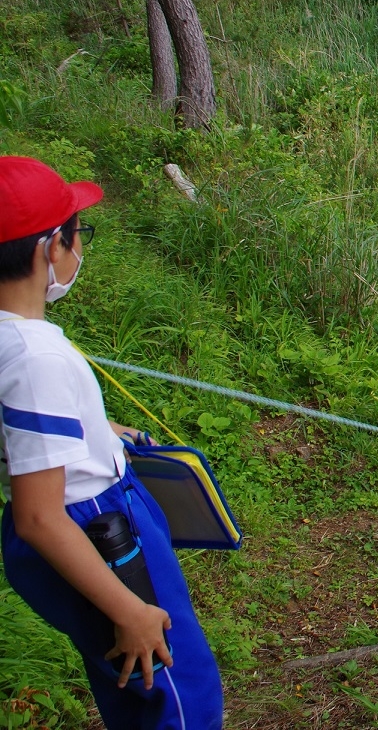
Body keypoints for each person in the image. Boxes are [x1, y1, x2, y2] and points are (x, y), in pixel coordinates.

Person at [0, 157, 223, 729]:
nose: (80, 249)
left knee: (129, 688)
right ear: (50, 249)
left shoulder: (13, 342)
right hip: (96, 529)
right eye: (79, 234)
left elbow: (23, 437)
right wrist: (129, 607)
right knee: (179, 693)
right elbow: (38, 517)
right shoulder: (36, 358)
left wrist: (98, 431)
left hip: (85, 522)